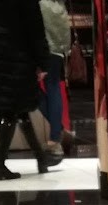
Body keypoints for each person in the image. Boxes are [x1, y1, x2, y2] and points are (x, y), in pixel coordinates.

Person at [0, 0, 59, 180]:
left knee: (20, 108)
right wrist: (43, 61)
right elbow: (35, 28)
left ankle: (41, 158)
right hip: (18, 54)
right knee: (13, 109)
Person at [38, 0, 75, 158]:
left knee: (30, 87)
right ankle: (56, 136)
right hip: (58, 41)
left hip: (42, 42)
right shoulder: (58, 4)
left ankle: (57, 134)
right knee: (53, 86)